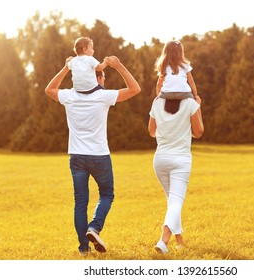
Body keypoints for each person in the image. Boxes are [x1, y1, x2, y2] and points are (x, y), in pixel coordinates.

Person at [45, 55, 141, 256]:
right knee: (107, 194)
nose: (104, 82)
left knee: (80, 202)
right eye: (103, 78)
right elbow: (135, 89)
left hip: (76, 157)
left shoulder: (70, 96)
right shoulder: (103, 96)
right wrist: (120, 65)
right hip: (99, 156)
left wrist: (66, 68)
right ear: (97, 78)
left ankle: (83, 248)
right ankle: (94, 228)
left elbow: (49, 90)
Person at [148, 41, 204, 254]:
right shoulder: (190, 102)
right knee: (175, 202)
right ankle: (163, 241)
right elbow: (198, 132)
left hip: (160, 160)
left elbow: (151, 132)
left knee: (173, 201)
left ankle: (180, 242)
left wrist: (159, 102)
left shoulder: (157, 102)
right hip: (180, 160)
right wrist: (197, 103)